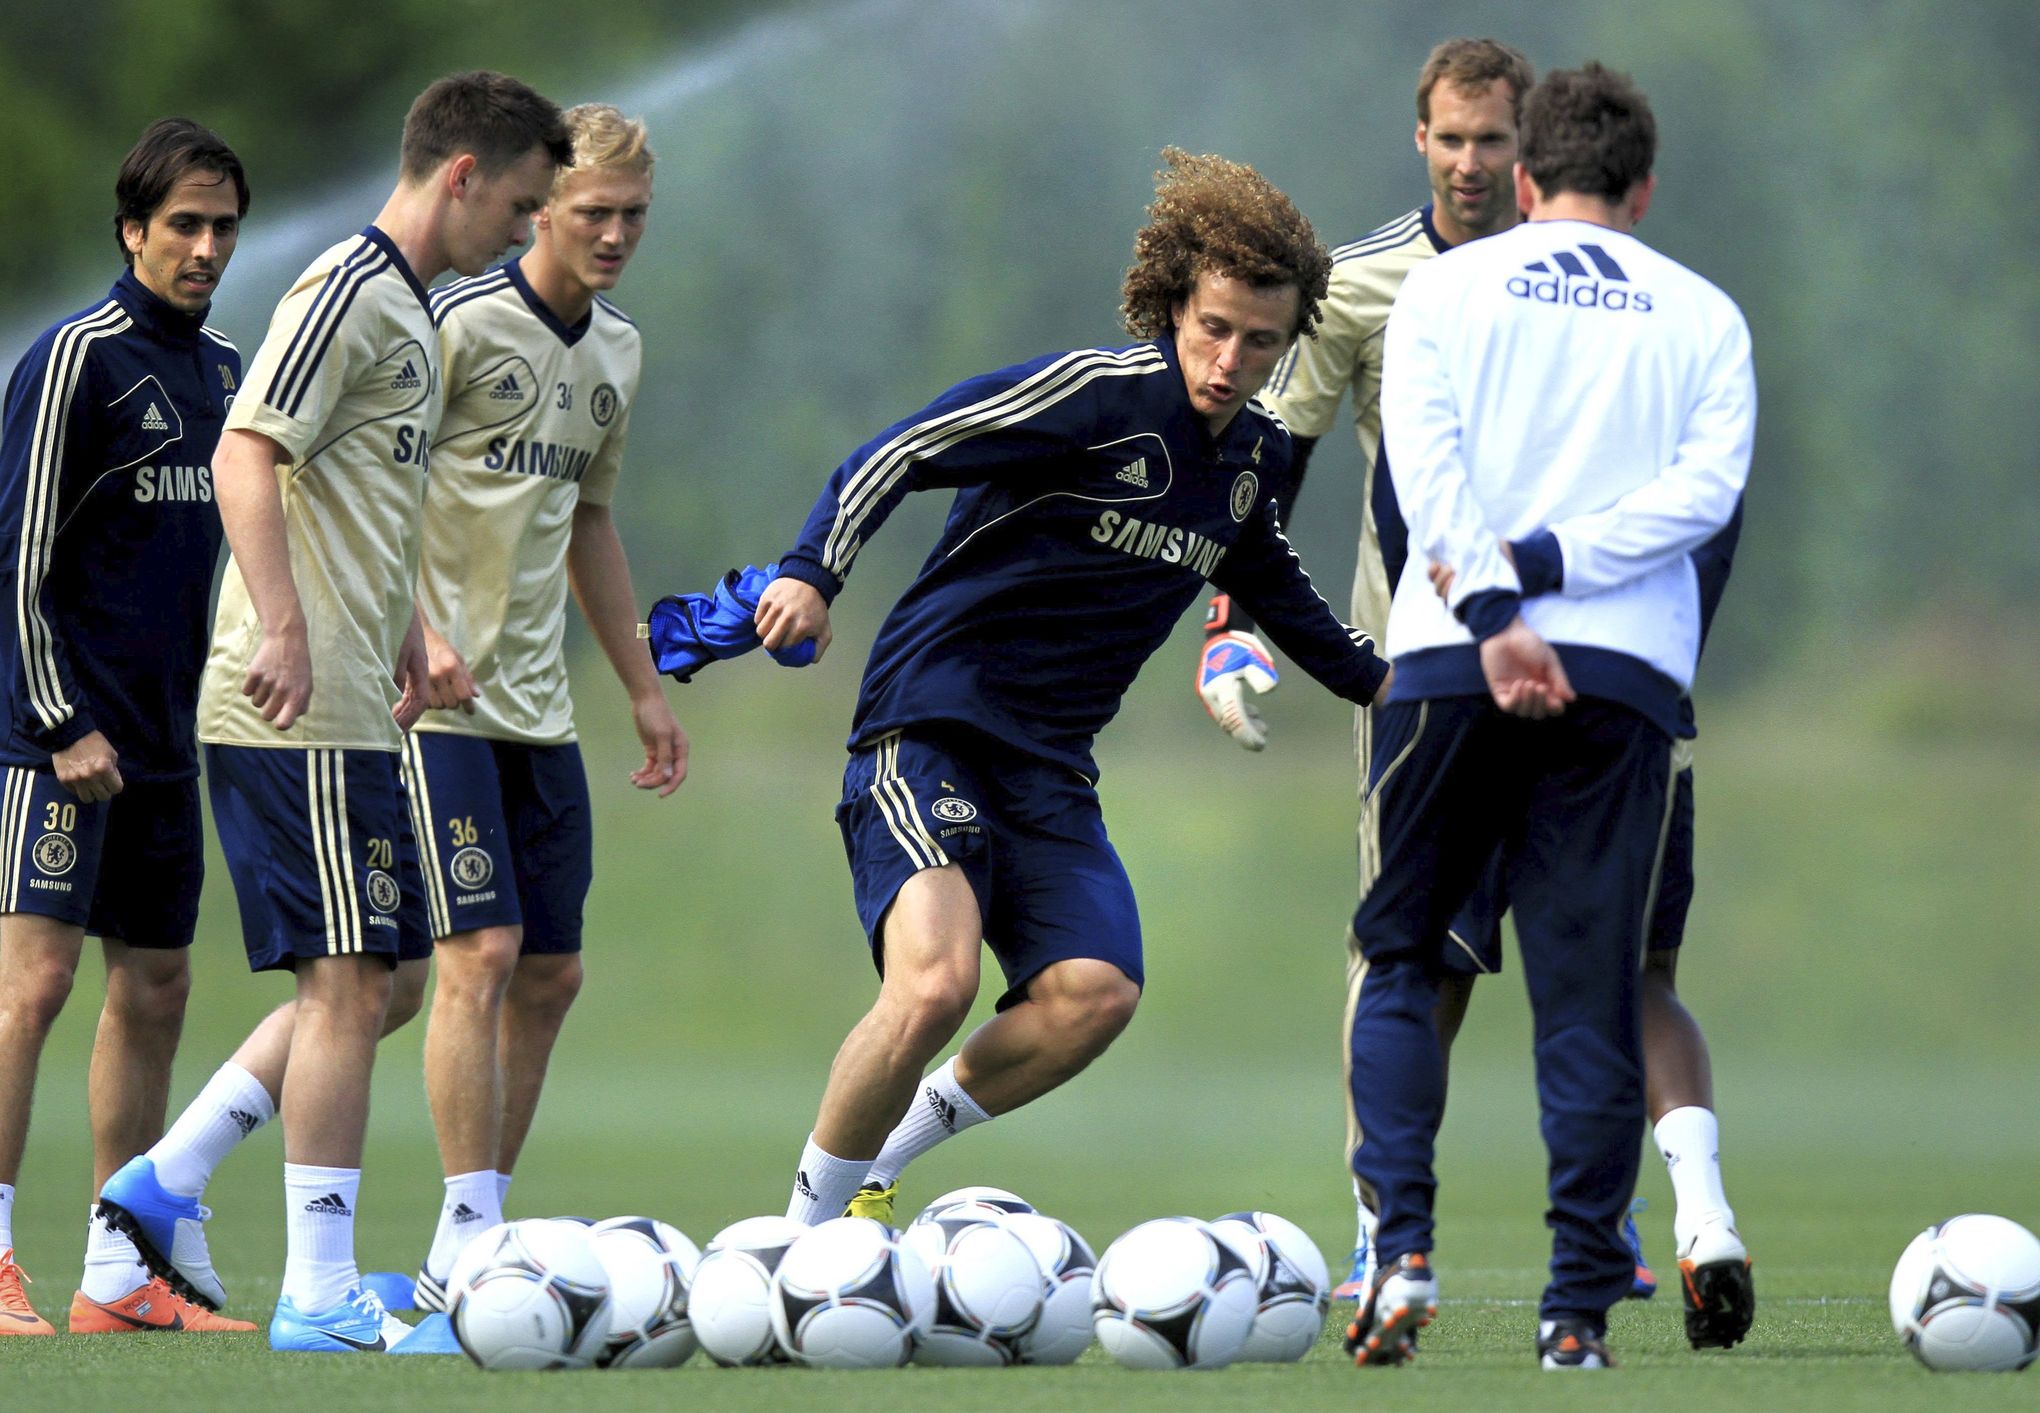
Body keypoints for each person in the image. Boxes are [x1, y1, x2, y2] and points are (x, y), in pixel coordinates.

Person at [745, 148, 1390, 1227]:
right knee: (936, 985)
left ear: (1290, 342)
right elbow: (899, 450)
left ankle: (882, 1167)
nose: (1231, 360)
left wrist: (1413, 688)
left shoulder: (1255, 462)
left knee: (1094, 996)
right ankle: (791, 1249)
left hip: (1049, 767)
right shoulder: (1096, 395)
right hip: (931, 724)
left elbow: (1284, 596)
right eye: (1213, 328)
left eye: (1262, 341)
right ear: (1174, 304)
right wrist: (812, 572)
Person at [1240, 38, 1748, 1342]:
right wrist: (1558, 576)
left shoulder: (1444, 303)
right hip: (1624, 675)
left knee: (1403, 951)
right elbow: (1701, 503)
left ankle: (1396, 1249)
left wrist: (1495, 609)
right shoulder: (1705, 316)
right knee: (1589, 986)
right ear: (1642, 190)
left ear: (1526, 183)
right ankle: (1577, 1308)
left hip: (1449, 661)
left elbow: (1421, 481)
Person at [96, 71, 568, 1355]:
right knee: (351, 980)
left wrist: (412, 634)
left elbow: (354, 500)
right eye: (522, 205)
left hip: (366, 701)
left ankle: (164, 1179)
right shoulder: (347, 287)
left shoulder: (413, 312)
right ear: (462, 174)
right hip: (289, 703)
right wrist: (291, 628)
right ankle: (319, 1292)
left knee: (393, 976)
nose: (526, 234)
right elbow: (246, 450)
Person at [400, 101, 684, 1311]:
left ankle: (482, 1232)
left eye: (634, 217)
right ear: (544, 207)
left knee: (553, 974)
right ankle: (465, 1244)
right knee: (478, 951)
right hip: (433, 701)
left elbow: (592, 523)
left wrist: (641, 684)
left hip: (537, 707)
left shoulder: (617, 348)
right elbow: (369, 481)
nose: (615, 235)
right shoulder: (457, 321)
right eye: (593, 213)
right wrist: (417, 629)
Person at [0, 120, 257, 1338]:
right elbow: (14, 563)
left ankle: (118, 1275)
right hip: (56, 739)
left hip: (166, 740)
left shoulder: (229, 372)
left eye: (222, 228)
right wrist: (59, 721)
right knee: (32, 987)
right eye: (184, 227)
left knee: (155, 986)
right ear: (133, 232)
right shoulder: (75, 360)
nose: (205, 249)